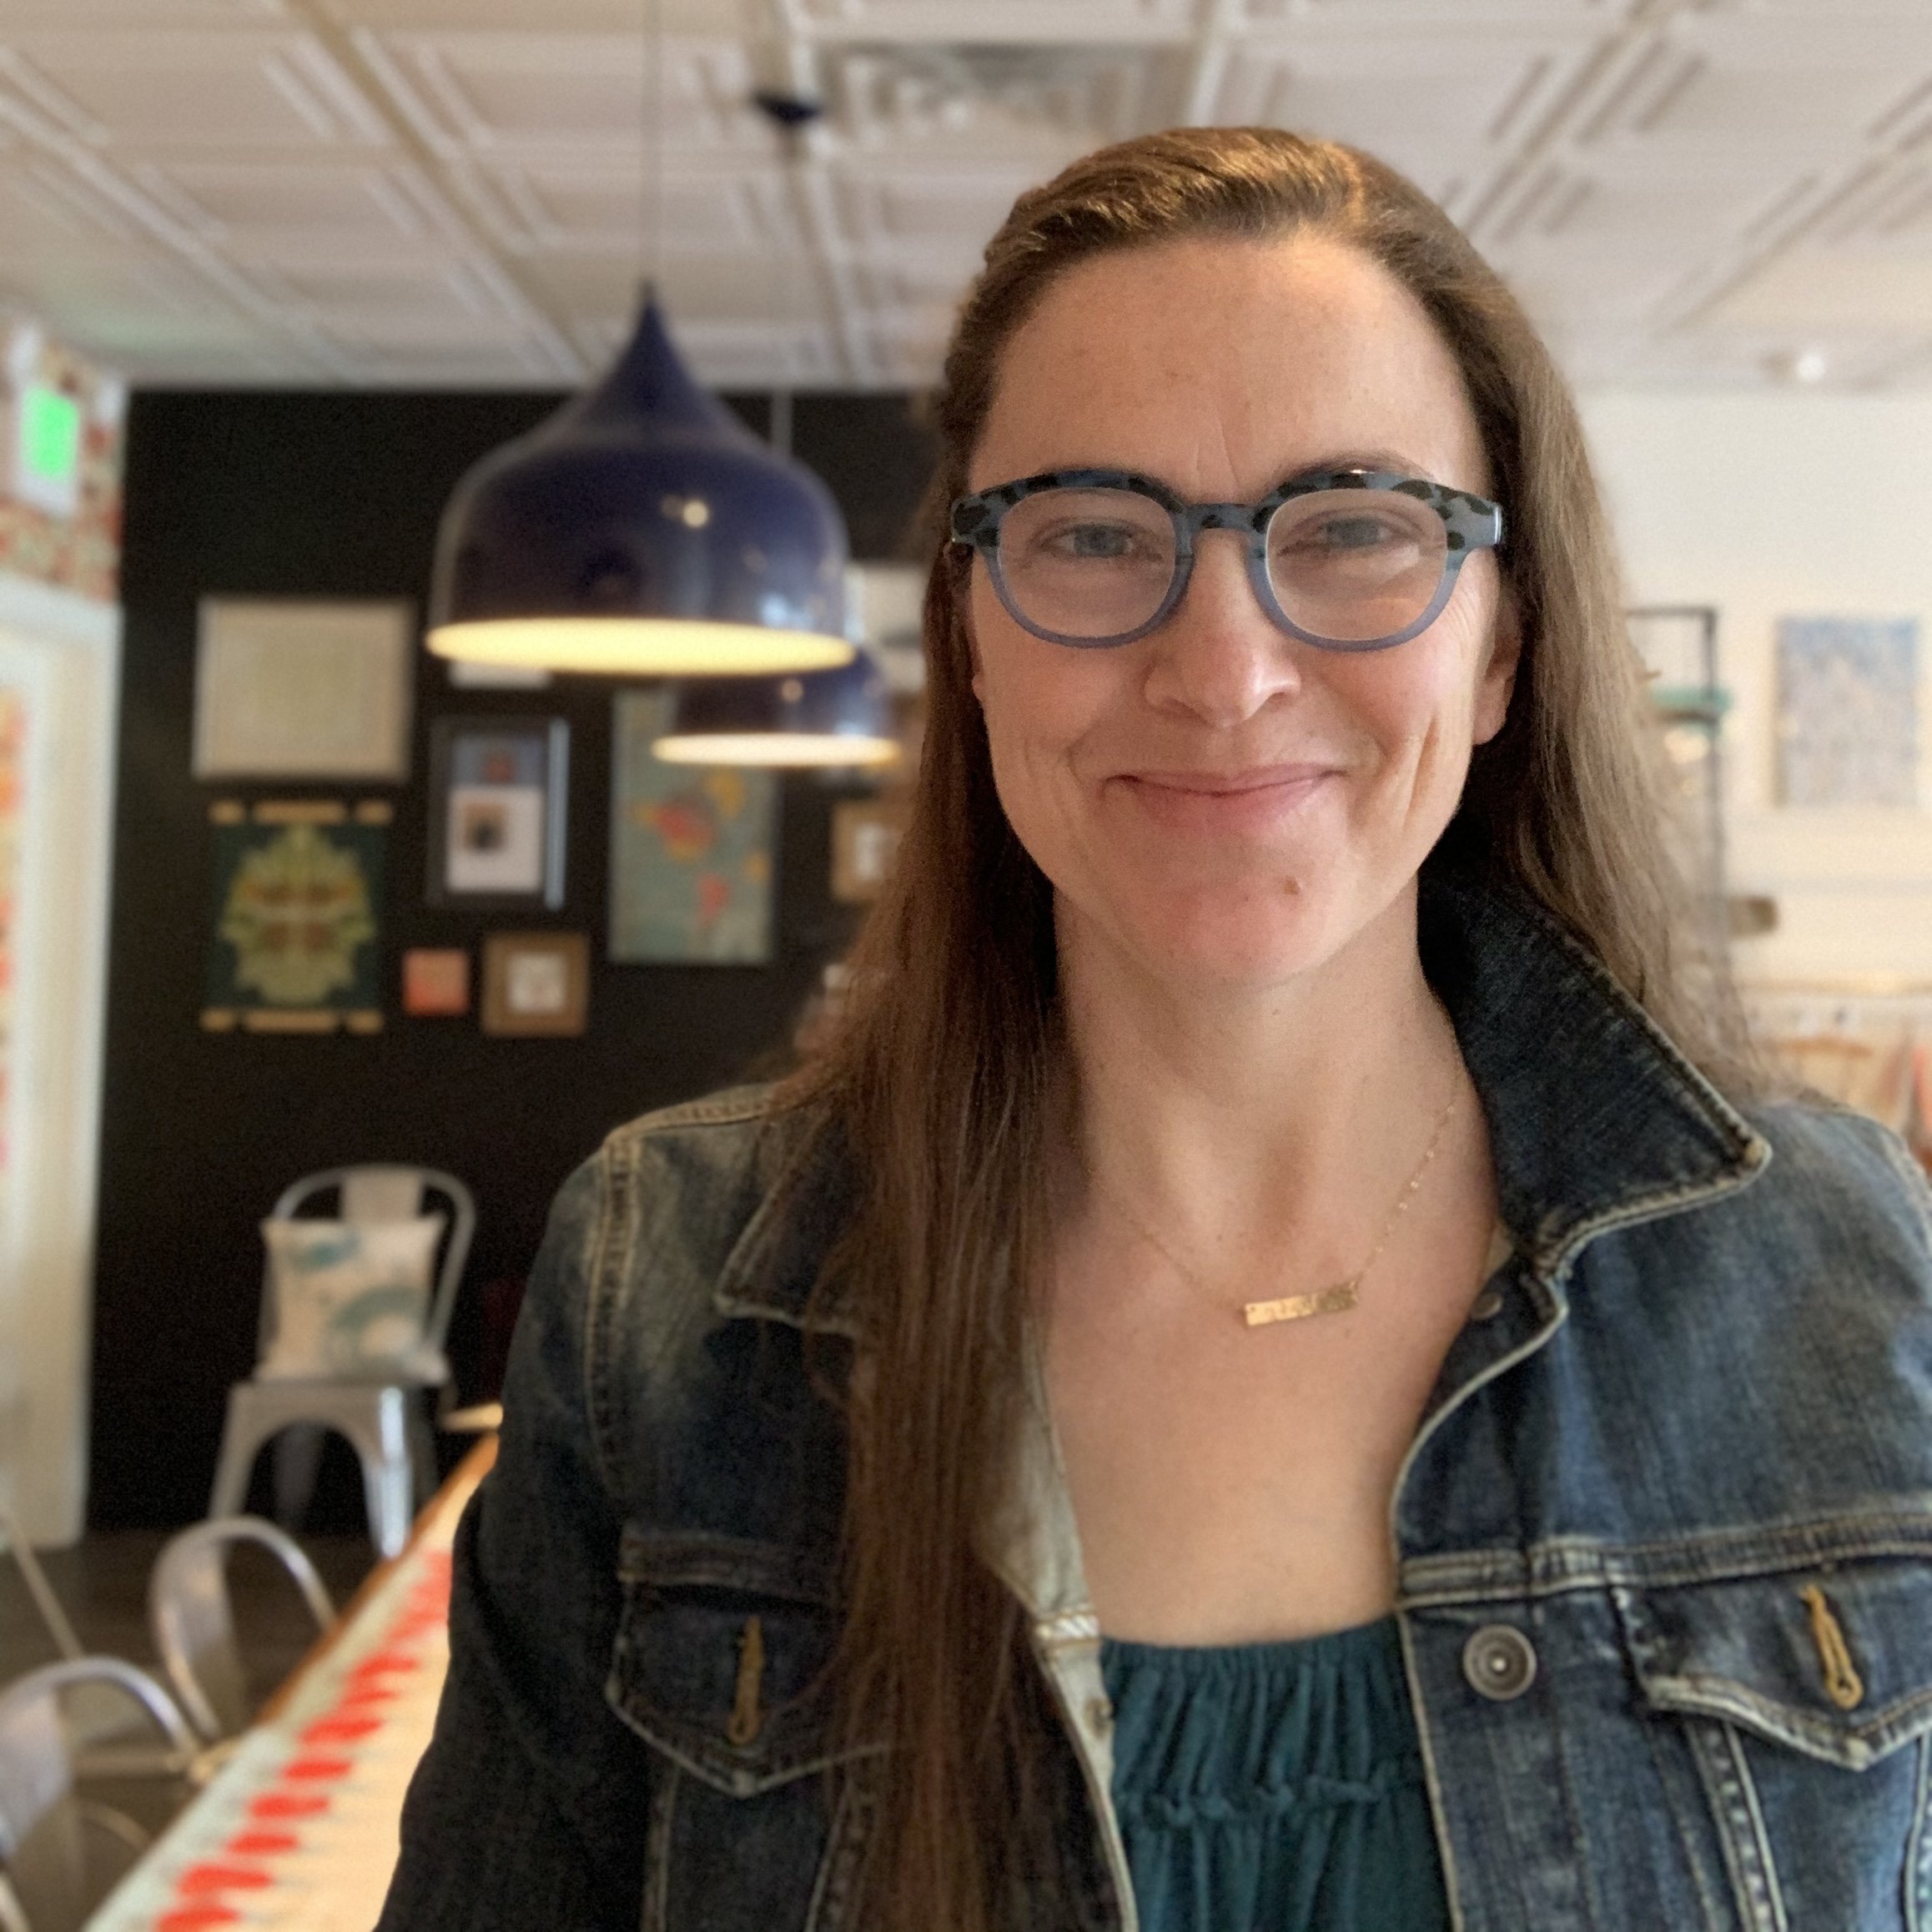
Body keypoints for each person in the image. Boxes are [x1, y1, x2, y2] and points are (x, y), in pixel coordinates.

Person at [380, 127, 1932, 1932]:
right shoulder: (667, 1298)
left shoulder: (1836, 1270)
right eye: (1097, 535)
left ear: (1502, 642)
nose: (1224, 667)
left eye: (1353, 529)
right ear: (970, 630)